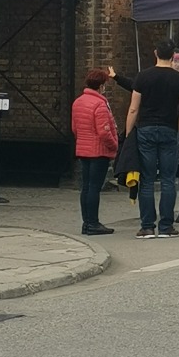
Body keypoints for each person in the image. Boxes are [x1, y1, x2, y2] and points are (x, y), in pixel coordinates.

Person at [124, 39, 179, 238]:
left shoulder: (143, 77)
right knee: (169, 179)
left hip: (146, 129)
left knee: (147, 179)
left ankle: (147, 226)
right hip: (169, 129)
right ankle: (166, 226)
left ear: (155, 53)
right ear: (172, 56)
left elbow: (134, 107)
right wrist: (176, 129)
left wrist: (128, 133)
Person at [71, 69, 119, 235]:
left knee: (85, 187)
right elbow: (104, 131)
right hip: (99, 151)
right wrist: (114, 145)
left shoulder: (78, 102)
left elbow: (74, 128)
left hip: (83, 149)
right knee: (94, 188)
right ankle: (93, 223)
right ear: (100, 86)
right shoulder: (99, 104)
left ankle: (86, 222)